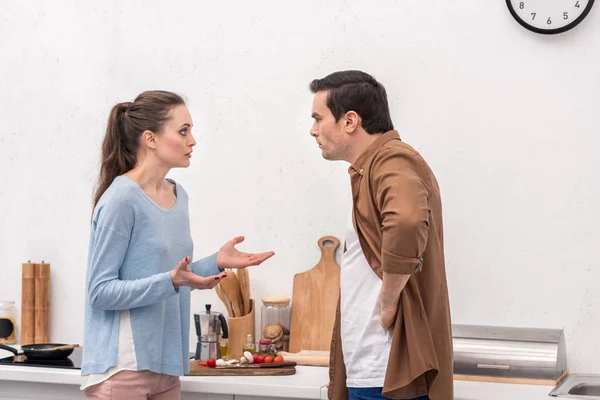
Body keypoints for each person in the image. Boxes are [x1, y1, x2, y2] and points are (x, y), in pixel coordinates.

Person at [81, 90, 274, 399]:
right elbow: (100, 292)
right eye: (183, 131)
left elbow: (171, 275)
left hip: (167, 365)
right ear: (150, 139)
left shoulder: (177, 195)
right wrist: (170, 280)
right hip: (124, 366)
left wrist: (217, 261)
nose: (192, 140)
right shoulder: (120, 199)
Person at [309, 71, 453, 400]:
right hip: (375, 369)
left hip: (387, 370)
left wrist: (387, 303)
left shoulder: (393, 159)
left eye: (318, 118)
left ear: (349, 121)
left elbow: (406, 221)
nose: (313, 130)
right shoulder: (373, 167)